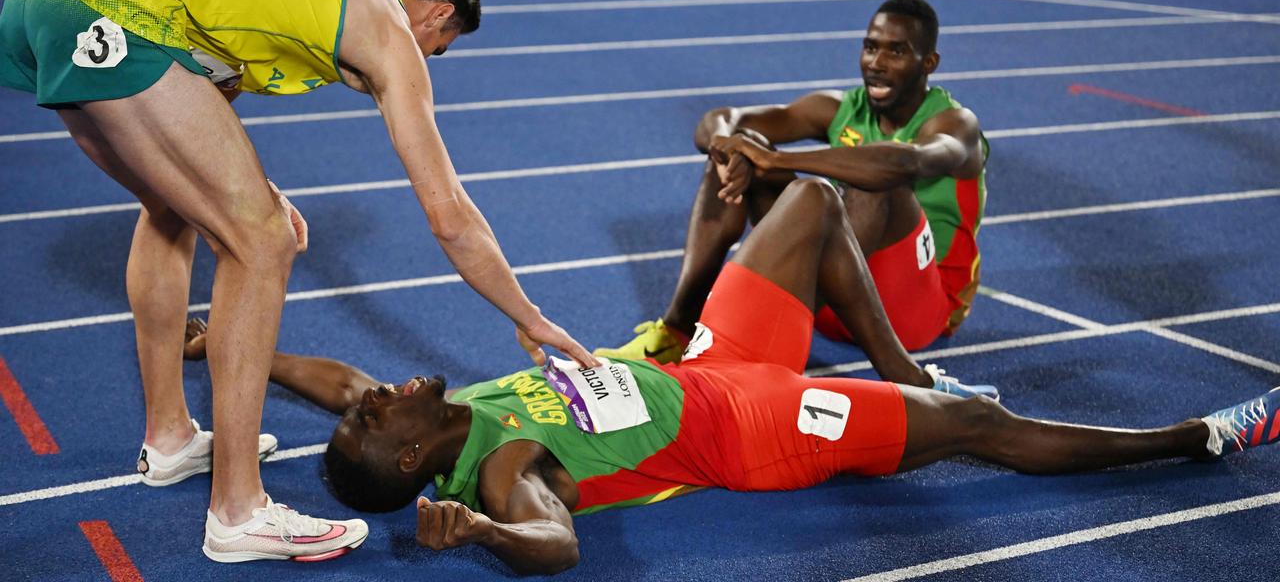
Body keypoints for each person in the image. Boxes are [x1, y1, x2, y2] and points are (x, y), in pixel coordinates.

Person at [187, 178, 1279, 576]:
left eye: (367, 404)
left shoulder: (428, 417)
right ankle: (1197, 438)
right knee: (974, 423)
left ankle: (900, 360)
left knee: (802, 197)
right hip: (755, 425)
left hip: (703, 360)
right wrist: (481, 535)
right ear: (418, 459)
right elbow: (556, 547)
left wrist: (227, 342)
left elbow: (328, 382)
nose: (374, 394)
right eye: (378, 418)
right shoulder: (511, 464)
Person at [0, 0, 597, 563]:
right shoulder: (387, 25)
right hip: (109, 2)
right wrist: (529, 316)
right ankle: (238, 510)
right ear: (435, 15)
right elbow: (448, 214)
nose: (431, 59)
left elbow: (193, 125)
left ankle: (169, 436)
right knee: (261, 243)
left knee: (175, 208)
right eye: (441, 49)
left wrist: (261, 194)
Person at [597, 0, 986, 365]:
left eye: (896, 52)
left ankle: (755, 341)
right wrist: (727, 149)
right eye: (870, 48)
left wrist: (778, 158)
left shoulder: (956, 125)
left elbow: (904, 162)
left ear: (929, 63)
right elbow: (722, 118)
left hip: (917, 313)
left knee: (877, 184)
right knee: (742, 148)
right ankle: (676, 334)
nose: (877, 63)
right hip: (836, 297)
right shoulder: (840, 107)